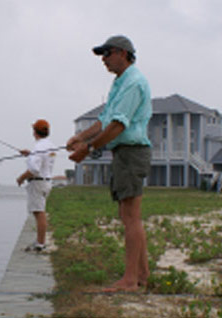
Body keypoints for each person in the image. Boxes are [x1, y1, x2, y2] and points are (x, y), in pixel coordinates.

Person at [67, 35, 152, 292]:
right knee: (128, 215)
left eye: (107, 54)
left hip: (132, 152)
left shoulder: (134, 82)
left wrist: (89, 148)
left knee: (131, 216)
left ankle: (129, 281)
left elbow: (117, 125)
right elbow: (104, 121)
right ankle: (142, 275)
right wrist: (80, 137)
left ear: (122, 53)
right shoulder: (119, 83)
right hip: (123, 154)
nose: (103, 60)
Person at [16, 119, 56, 252]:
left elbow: (34, 169)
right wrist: (30, 155)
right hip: (46, 182)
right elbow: (42, 161)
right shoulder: (49, 145)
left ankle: (40, 244)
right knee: (40, 211)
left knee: (39, 213)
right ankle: (40, 241)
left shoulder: (39, 147)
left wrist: (21, 178)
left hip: (38, 182)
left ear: (35, 132)